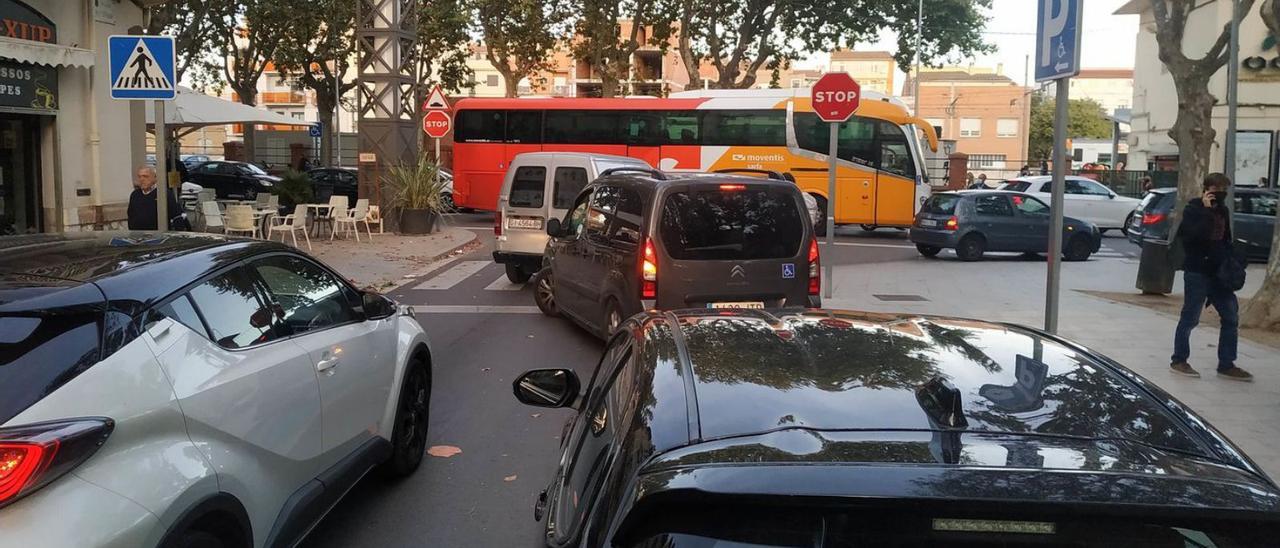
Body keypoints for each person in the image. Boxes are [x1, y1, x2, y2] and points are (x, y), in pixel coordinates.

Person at [1170, 173, 1252, 381]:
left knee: (1231, 317)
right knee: (1190, 318)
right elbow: (1194, 237)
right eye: (1216, 188)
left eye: (1224, 189)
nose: (1220, 193)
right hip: (1198, 271)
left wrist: (1234, 260)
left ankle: (1226, 363)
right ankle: (1179, 360)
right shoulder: (1193, 209)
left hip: (1219, 274)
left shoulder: (1223, 211)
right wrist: (1206, 212)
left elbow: (1225, 239)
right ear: (1206, 189)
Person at [127, 165, 181, 231]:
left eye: (145, 176)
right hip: (138, 236)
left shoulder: (164, 194)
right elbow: (130, 215)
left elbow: (176, 216)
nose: (142, 179)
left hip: (158, 236)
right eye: (139, 176)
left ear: (155, 178)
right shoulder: (135, 194)